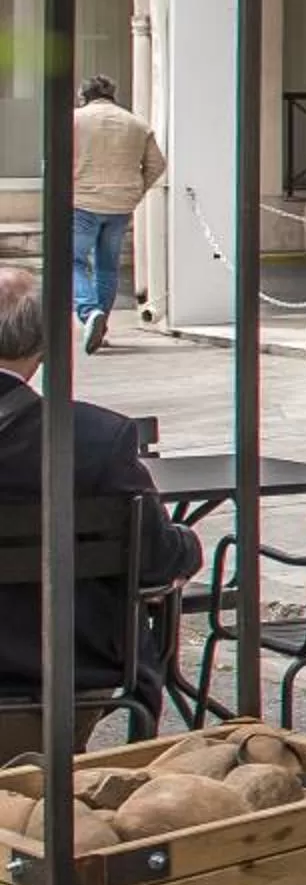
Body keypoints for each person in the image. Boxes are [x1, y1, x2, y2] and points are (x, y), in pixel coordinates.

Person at [0, 266, 199, 727]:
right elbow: (155, 558)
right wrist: (188, 543)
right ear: (44, 347)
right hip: (67, 671)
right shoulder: (95, 437)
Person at [71, 76, 164, 355]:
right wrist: (137, 190)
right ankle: (100, 326)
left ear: (83, 96)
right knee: (107, 267)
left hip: (83, 200)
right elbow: (157, 164)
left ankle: (89, 313)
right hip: (121, 204)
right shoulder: (136, 123)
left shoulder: (74, 120)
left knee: (70, 261)